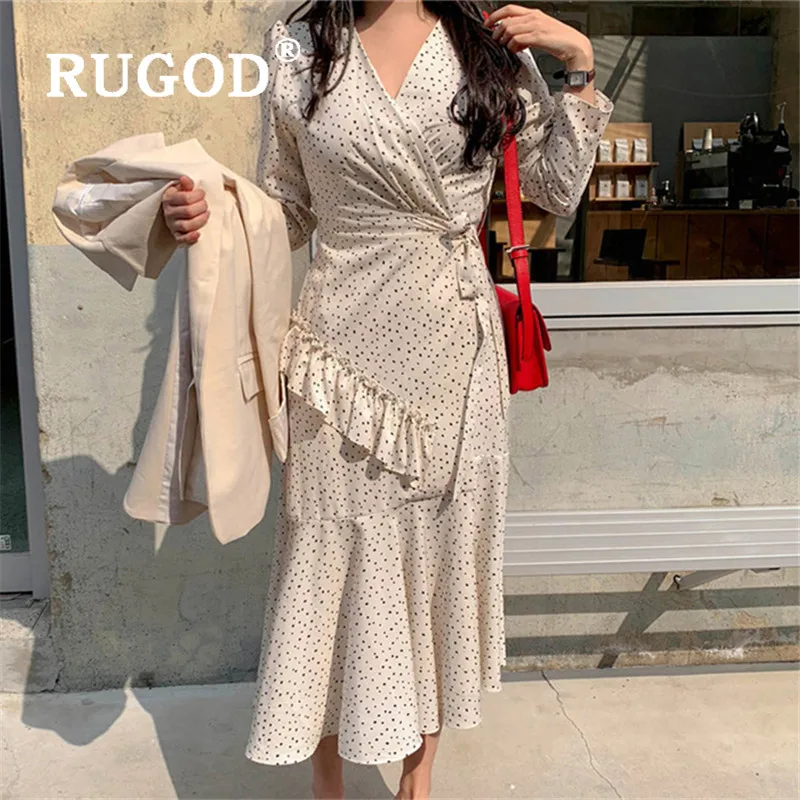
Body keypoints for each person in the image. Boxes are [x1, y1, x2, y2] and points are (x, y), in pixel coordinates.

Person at [161, 2, 612, 798]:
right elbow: (285, 208)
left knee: (436, 559)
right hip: (337, 358)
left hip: (454, 355)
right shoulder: (300, 49)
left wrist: (577, 62)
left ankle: (418, 776)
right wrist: (211, 213)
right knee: (327, 555)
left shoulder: (488, 48)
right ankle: (327, 778)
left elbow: (555, 187)